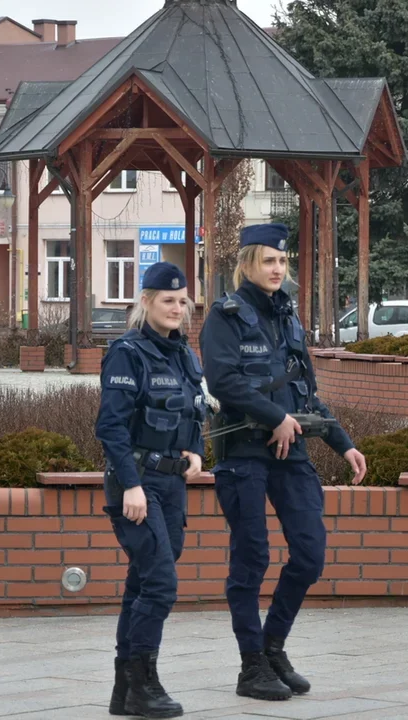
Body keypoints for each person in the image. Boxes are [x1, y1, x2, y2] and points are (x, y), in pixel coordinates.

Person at [200, 223, 367, 701]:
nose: (277, 269)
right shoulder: (225, 317)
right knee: (252, 558)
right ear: (247, 263)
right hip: (244, 453)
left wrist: (344, 443)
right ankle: (250, 665)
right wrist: (275, 416)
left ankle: (273, 647)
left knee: (311, 554)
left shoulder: (290, 318)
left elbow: (307, 395)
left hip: (291, 453)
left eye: (282, 261)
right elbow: (223, 382)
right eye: (268, 260)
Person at [95, 261, 206, 719]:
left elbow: (194, 409)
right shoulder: (127, 352)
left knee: (142, 581)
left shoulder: (184, 353)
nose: (177, 308)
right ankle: (144, 684)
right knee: (161, 583)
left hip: (172, 481)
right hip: (137, 484)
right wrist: (132, 486)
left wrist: (195, 450)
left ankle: (124, 690)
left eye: (183, 302)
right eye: (168, 301)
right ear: (146, 301)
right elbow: (111, 427)